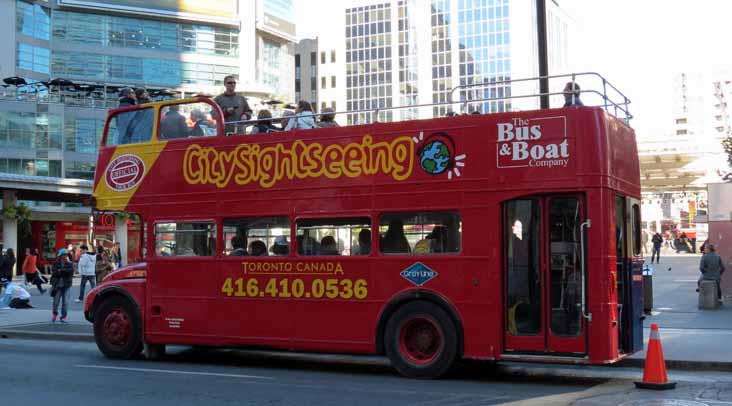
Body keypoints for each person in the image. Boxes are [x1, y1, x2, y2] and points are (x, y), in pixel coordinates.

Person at [50, 248, 74, 322]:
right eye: (63, 255)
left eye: (66, 254)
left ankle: (63, 316)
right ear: (60, 256)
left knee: (65, 302)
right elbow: (54, 272)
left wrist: (61, 271)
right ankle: (55, 313)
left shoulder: (69, 263)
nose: (65, 256)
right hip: (57, 285)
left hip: (66, 285)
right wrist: (63, 271)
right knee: (56, 301)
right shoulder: (55, 263)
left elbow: (70, 272)